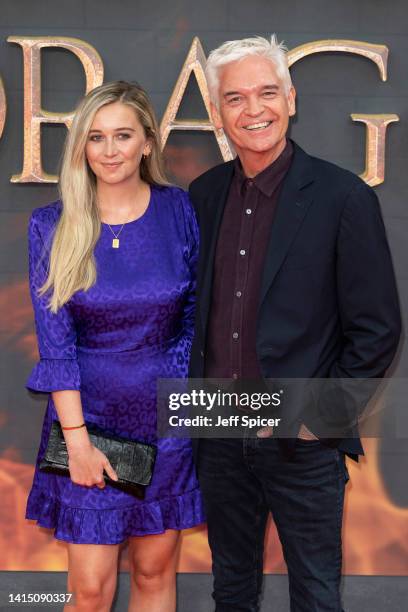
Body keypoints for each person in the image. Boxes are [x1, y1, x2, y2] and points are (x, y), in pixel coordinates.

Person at [188, 36, 401, 611]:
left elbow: (378, 326)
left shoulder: (341, 196)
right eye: (235, 98)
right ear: (217, 111)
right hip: (220, 430)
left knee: (314, 593)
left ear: (291, 98)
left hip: (301, 439)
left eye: (266, 93)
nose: (253, 110)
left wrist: (319, 418)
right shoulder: (204, 195)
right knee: (231, 589)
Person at [25, 80, 205, 612]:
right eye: (95, 137)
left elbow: (197, 320)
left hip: (167, 425)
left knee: (154, 575)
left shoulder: (180, 212)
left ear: (147, 142)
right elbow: (56, 346)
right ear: (81, 146)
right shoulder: (52, 225)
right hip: (88, 425)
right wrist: (78, 443)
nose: (109, 151)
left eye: (122, 135)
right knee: (89, 592)